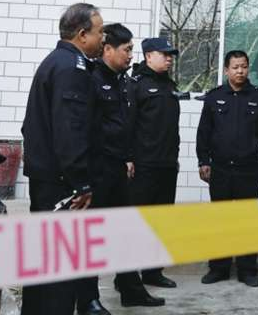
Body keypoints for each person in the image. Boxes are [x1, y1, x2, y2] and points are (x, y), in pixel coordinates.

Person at [21, 3, 103, 315]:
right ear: (82, 35)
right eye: (99, 32)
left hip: (48, 179)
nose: (102, 38)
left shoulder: (55, 62)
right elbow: (71, 131)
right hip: (62, 184)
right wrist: (81, 182)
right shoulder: (72, 68)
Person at [76, 24, 165, 311]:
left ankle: (131, 289)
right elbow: (86, 128)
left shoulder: (123, 81)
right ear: (107, 49)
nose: (130, 55)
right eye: (126, 50)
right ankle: (88, 299)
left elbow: (124, 124)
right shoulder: (90, 79)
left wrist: (127, 156)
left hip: (117, 169)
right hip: (97, 170)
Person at [196, 50, 258, 288]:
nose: (240, 71)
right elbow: (204, 133)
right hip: (220, 169)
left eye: (244, 66)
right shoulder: (214, 98)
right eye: (235, 67)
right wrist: (203, 161)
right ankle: (219, 268)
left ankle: (247, 270)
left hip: (249, 169)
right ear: (226, 70)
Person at [127, 37, 181, 289]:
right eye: (164, 54)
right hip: (143, 166)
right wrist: (128, 158)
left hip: (166, 165)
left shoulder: (170, 86)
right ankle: (127, 277)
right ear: (149, 56)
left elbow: (171, 128)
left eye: (171, 55)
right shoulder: (135, 85)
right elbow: (128, 125)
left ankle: (152, 272)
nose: (169, 58)